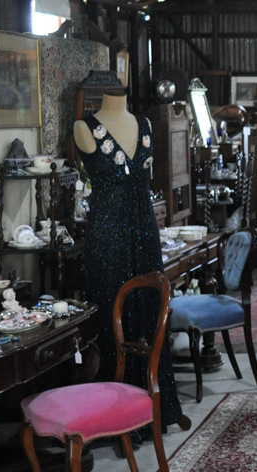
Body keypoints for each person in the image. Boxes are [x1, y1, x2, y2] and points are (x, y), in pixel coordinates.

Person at [73, 92, 189, 439]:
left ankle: (157, 405)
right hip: (107, 236)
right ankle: (117, 416)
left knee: (150, 315)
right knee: (113, 318)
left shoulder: (146, 124)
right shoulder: (83, 127)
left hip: (144, 231)